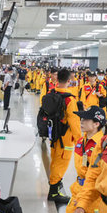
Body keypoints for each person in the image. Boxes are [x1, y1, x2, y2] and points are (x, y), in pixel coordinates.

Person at [45, 68, 82, 204]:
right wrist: (80, 140)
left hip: (53, 133)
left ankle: (56, 183)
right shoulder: (69, 99)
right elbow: (74, 120)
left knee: (55, 160)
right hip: (65, 137)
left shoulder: (51, 93)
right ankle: (54, 192)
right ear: (69, 80)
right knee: (61, 162)